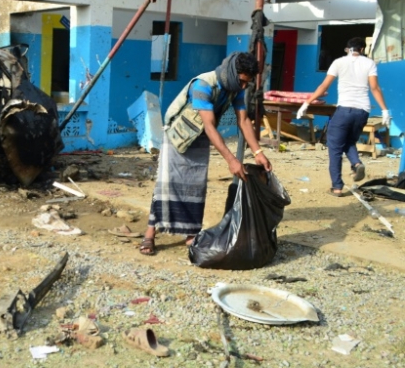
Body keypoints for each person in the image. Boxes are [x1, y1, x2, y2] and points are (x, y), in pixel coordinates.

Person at [140, 52, 272, 256]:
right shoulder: (202, 85)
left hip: (199, 136)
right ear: (233, 73)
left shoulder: (235, 88)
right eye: (243, 81)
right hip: (178, 136)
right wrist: (231, 160)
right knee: (167, 184)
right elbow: (210, 126)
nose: (244, 87)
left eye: (247, 83)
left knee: (195, 185)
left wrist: (258, 152)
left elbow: (244, 121)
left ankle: (191, 234)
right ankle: (150, 235)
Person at [296, 37, 390, 197]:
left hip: (344, 110)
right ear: (362, 49)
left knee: (335, 148)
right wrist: (384, 110)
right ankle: (357, 163)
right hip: (363, 111)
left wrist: (307, 103)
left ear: (347, 49)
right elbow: (374, 87)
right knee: (349, 141)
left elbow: (324, 85)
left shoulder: (339, 62)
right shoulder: (369, 63)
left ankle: (337, 187)